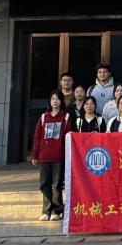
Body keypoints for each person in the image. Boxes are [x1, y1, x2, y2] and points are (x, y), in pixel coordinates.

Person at [31, 91, 70, 221]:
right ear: (49, 101)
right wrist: (35, 155)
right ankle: (46, 210)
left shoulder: (66, 117)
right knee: (45, 184)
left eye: (57, 99)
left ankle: (56, 210)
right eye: (53, 99)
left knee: (57, 185)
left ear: (61, 101)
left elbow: (68, 137)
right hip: (44, 156)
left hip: (59, 156)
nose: (55, 101)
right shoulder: (43, 117)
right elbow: (37, 137)